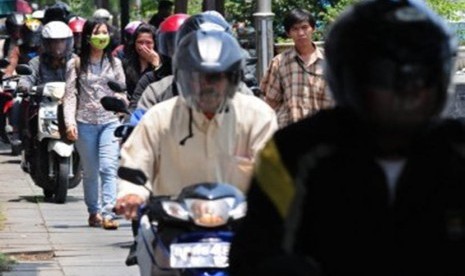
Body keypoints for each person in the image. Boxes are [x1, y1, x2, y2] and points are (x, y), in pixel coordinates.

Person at [229, 0, 465, 275]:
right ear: (352, 78)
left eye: (421, 76)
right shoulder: (292, 154)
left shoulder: (457, 150)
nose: (407, 91)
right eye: (385, 76)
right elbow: (254, 255)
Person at [114, 29, 277, 276]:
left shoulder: (258, 115)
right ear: (183, 79)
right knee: (148, 243)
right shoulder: (160, 117)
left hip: (242, 227)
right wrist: (131, 195)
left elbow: (274, 174)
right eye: (198, 78)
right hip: (173, 226)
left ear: (232, 78)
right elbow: (135, 165)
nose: (207, 86)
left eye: (216, 77)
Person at [63, 19, 126, 230]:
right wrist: (69, 122)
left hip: (109, 121)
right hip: (85, 122)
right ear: (89, 37)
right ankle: (94, 211)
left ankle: (109, 212)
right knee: (91, 171)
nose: (102, 36)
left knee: (109, 167)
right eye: (98, 32)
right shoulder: (76, 63)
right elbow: (70, 95)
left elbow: (122, 91)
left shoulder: (115, 63)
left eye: (105, 32)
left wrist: (120, 101)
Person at [17, 20, 76, 199]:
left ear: (68, 42)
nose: (57, 45)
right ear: (46, 43)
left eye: (61, 41)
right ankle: (26, 147)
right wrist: (25, 86)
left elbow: (85, 78)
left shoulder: (75, 61)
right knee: (22, 106)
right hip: (43, 105)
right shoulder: (37, 61)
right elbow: (26, 79)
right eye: (53, 41)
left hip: (68, 106)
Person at [260, 8, 333, 128]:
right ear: (288, 33)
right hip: (290, 132)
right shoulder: (279, 62)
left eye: (304, 27)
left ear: (313, 29)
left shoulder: (330, 60)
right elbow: (271, 101)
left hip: (324, 132)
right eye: (295, 29)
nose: (301, 33)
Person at [129, 13, 189, 110]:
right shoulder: (150, 80)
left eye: (184, 43)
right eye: (171, 44)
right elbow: (135, 112)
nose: (177, 49)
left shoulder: (208, 79)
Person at [122, 23, 160, 99]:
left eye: (148, 43)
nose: (143, 47)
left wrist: (156, 64)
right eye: (140, 42)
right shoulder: (126, 64)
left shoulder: (162, 63)